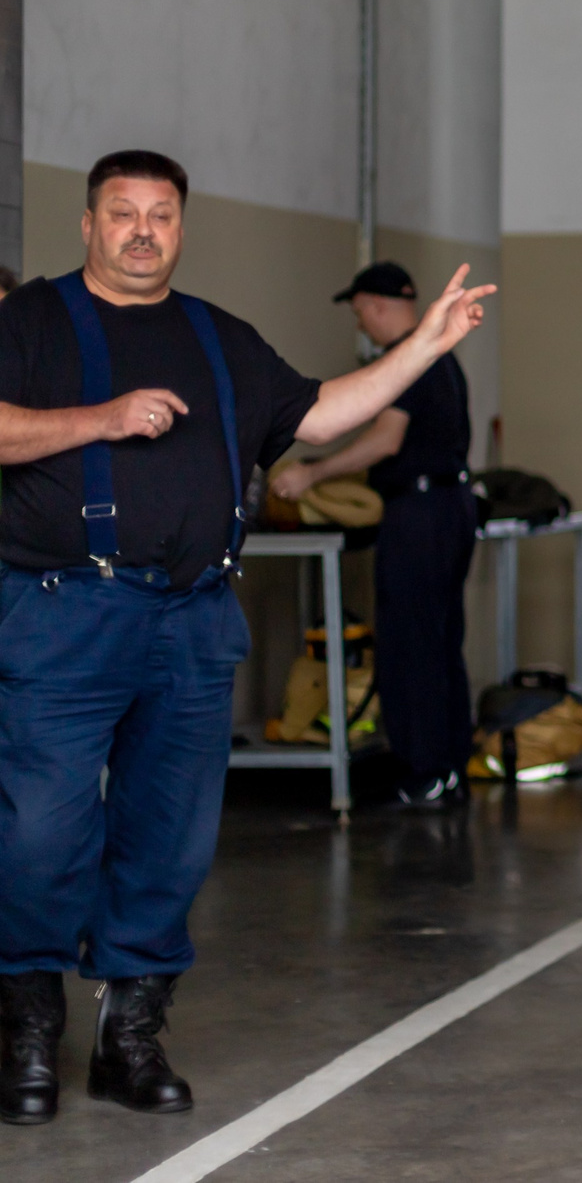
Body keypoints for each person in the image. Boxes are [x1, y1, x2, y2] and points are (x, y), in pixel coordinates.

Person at [0, 151, 491, 1126]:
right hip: (65, 615)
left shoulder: (219, 336)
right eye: (123, 212)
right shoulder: (31, 323)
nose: (143, 229)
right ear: (90, 223)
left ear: (181, 227)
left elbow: (319, 413)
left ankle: (131, 1038)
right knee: (40, 831)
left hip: (192, 622)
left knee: (169, 841)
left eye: (162, 214)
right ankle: (26, 1031)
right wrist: (99, 420)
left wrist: (424, 346)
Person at [269, 263, 477, 813]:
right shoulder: (443, 360)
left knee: (411, 646)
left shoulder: (411, 360)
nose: (360, 323)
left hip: (420, 512)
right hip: (451, 505)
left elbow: (386, 441)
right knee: (439, 641)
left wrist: (313, 474)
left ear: (379, 305)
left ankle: (422, 773)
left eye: (360, 311)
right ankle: (449, 767)